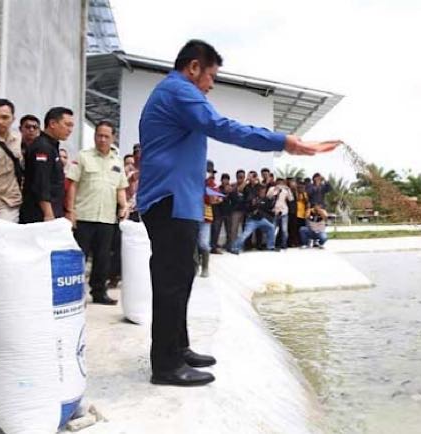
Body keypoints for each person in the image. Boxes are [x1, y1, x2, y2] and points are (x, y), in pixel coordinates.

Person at [136, 39, 338, 387]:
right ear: (194, 67)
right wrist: (285, 142)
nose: (212, 84)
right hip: (169, 201)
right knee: (172, 282)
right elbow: (225, 127)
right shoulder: (179, 91)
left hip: (179, 201)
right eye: (211, 75)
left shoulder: (176, 93)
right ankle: (165, 365)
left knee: (182, 278)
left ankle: (177, 347)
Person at [66, 120, 128, 305]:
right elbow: (72, 185)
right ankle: (75, 294)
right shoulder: (84, 156)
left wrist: (123, 206)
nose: (101, 139)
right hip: (84, 215)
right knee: (79, 257)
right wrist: (70, 211)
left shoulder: (117, 161)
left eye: (106, 136)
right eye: (99, 135)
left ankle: (99, 292)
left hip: (107, 218)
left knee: (102, 259)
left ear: (113, 138)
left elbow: (120, 188)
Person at [20, 107, 74, 223]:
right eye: (67, 125)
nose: (70, 130)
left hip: (54, 209)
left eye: (71, 126)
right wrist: (48, 214)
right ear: (53, 123)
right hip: (40, 214)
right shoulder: (42, 147)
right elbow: (41, 182)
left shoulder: (52, 146)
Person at [230, 185, 276, 254]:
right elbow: (247, 208)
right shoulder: (252, 199)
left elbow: (268, 206)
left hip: (261, 219)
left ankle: (270, 246)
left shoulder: (265, 199)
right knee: (245, 234)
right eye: (262, 192)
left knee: (271, 227)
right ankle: (234, 248)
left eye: (264, 192)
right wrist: (253, 207)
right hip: (252, 221)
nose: (264, 193)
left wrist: (273, 199)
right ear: (258, 192)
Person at [267, 177, 293, 250]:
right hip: (274, 211)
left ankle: (284, 245)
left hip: (284, 211)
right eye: (278, 182)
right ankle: (271, 245)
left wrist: (288, 189)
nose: (280, 184)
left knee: (284, 230)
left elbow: (291, 199)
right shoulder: (272, 189)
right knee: (272, 229)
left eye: (281, 182)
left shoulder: (285, 190)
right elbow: (268, 197)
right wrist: (276, 190)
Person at [211, 172, 233, 252]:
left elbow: (234, 200)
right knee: (216, 230)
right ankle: (213, 246)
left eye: (227, 179)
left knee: (229, 231)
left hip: (228, 213)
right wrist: (224, 194)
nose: (225, 181)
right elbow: (217, 199)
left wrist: (231, 192)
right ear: (221, 180)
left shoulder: (231, 189)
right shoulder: (218, 189)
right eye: (224, 179)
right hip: (219, 213)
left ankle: (229, 246)